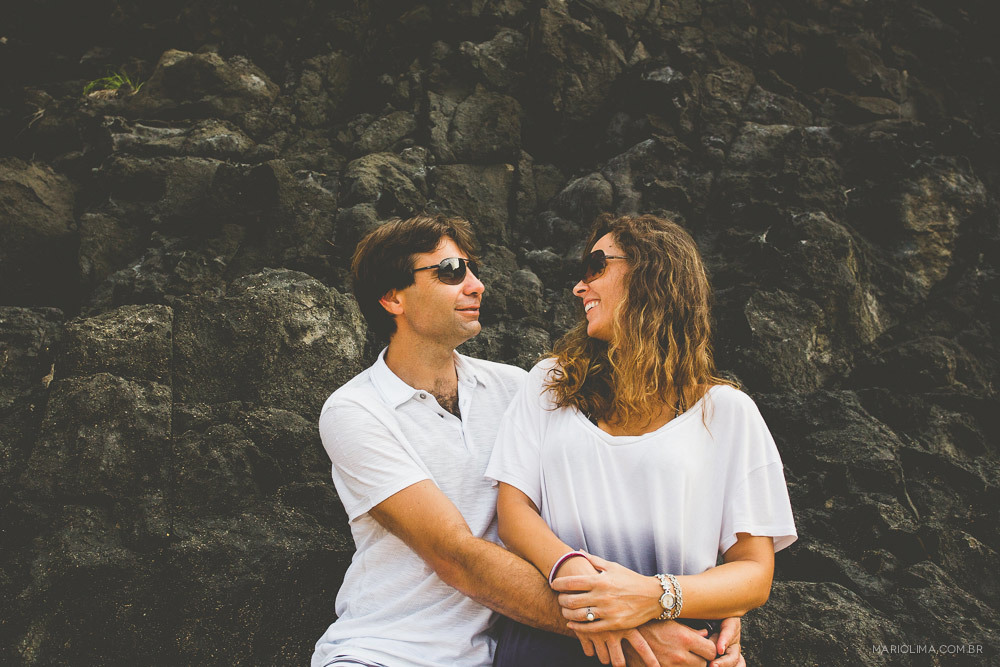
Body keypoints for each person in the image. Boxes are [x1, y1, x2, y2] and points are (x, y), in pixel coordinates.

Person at [312, 214, 747, 667]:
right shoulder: (356, 412)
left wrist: (708, 606)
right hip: (386, 651)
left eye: (472, 268)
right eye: (451, 272)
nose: (476, 285)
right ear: (392, 297)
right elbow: (455, 555)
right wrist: (633, 630)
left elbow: (626, 491)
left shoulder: (520, 389)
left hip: (509, 651)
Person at [486, 213, 798, 666]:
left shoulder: (726, 413)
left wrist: (653, 597)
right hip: (555, 635)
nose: (580, 286)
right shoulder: (549, 385)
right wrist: (575, 575)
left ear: (653, 276)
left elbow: (754, 573)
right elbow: (513, 513)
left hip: (678, 647)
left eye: (597, 266)